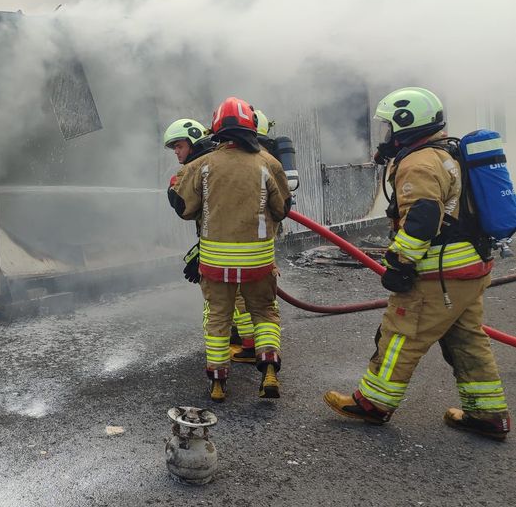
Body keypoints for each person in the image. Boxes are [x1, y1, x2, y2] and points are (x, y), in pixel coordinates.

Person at [324, 87, 510, 440]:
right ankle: (488, 414)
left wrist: (400, 262)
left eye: (388, 126)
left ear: (406, 123)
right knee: (466, 340)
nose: (385, 135)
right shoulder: (447, 153)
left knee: (401, 334)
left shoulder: (418, 163)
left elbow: (422, 218)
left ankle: (373, 403)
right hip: (469, 269)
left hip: (440, 273)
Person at [169, 98, 292, 401]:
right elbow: (283, 208)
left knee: (218, 318)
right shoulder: (269, 163)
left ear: (216, 130)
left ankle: (218, 384)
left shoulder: (202, 165)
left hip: (215, 262)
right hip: (258, 261)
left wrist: (177, 186)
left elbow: (184, 208)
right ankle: (269, 372)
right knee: (264, 312)